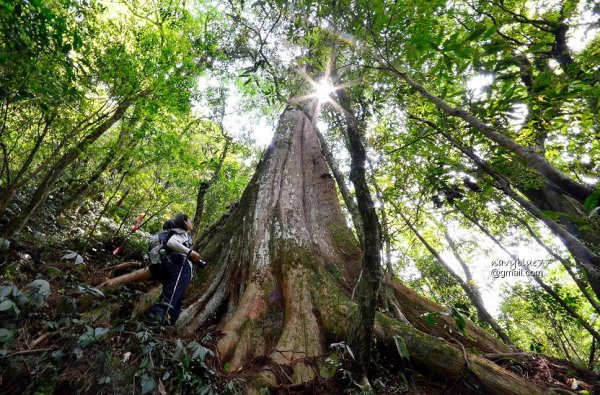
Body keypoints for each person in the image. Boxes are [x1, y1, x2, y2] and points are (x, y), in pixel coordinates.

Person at [147, 212, 204, 326]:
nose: (191, 223)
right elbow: (171, 243)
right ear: (185, 223)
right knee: (170, 297)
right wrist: (191, 252)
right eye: (189, 221)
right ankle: (149, 328)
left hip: (174, 266)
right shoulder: (181, 233)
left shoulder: (182, 234)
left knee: (176, 297)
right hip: (179, 267)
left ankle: (167, 325)